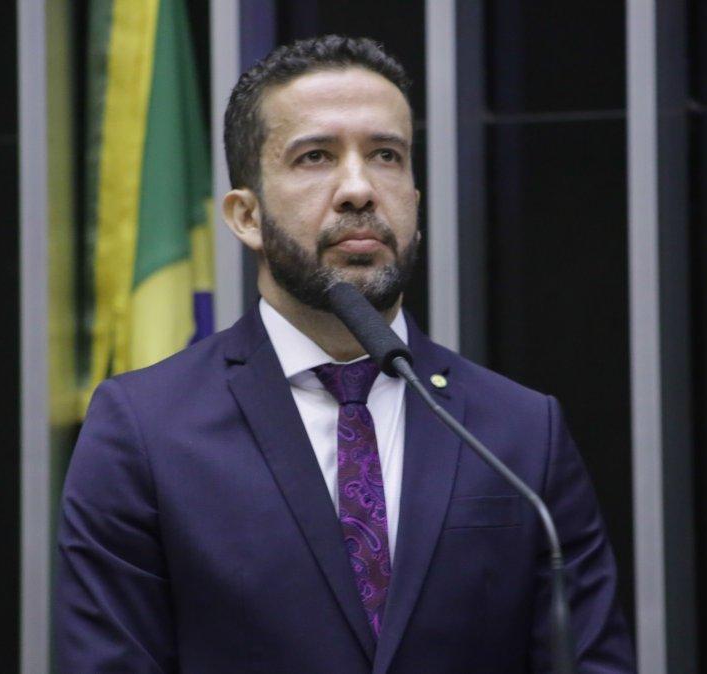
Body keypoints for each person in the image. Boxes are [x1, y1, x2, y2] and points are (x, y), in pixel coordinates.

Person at [55, 35, 636, 674]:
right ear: (246, 215)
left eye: (386, 155)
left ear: (415, 199)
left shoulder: (521, 433)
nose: (358, 188)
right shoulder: (144, 429)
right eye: (315, 157)